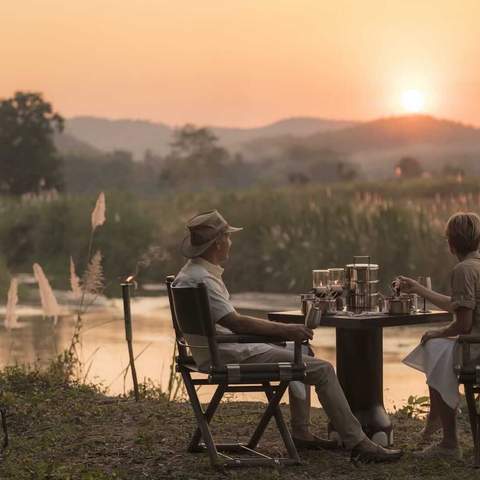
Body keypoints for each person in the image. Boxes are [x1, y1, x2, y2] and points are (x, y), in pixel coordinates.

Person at [173, 209, 402, 462]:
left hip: (209, 352)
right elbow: (236, 323)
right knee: (323, 370)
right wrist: (287, 330)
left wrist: (278, 336)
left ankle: (301, 433)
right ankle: (359, 442)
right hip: (227, 355)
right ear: (217, 243)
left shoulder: (188, 275)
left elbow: (228, 324)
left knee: (302, 352)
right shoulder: (203, 279)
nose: (230, 242)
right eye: (227, 237)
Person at [399, 211, 480, 460]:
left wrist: (439, 332)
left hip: (474, 348)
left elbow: (463, 324)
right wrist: (420, 289)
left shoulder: (463, 270)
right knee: (436, 348)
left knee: (433, 347)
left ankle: (448, 441)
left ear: (451, 243)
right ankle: (436, 417)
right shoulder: (476, 267)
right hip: (476, 342)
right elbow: (459, 305)